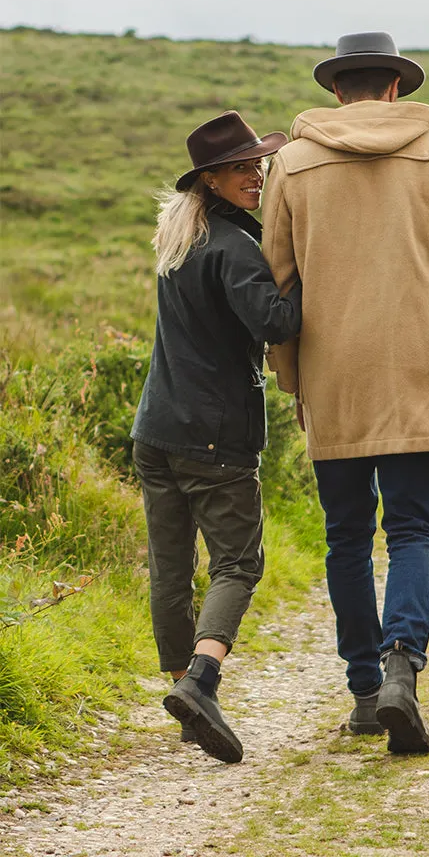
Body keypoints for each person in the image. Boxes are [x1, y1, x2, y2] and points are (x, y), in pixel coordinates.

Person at [262, 32, 429, 754]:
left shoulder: (289, 163)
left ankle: (363, 692)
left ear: (338, 91)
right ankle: (402, 667)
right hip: (420, 370)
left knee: (346, 536)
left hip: (334, 372)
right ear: (395, 89)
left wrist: (293, 376)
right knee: (412, 530)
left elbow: (277, 286)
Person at [130, 111, 302, 763]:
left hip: (156, 431)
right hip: (215, 438)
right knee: (237, 564)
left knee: (171, 572)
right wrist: (316, 272)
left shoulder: (179, 238)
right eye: (241, 167)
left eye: (257, 163)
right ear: (211, 178)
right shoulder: (233, 249)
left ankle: (184, 700)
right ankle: (202, 682)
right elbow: (279, 322)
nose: (255, 175)